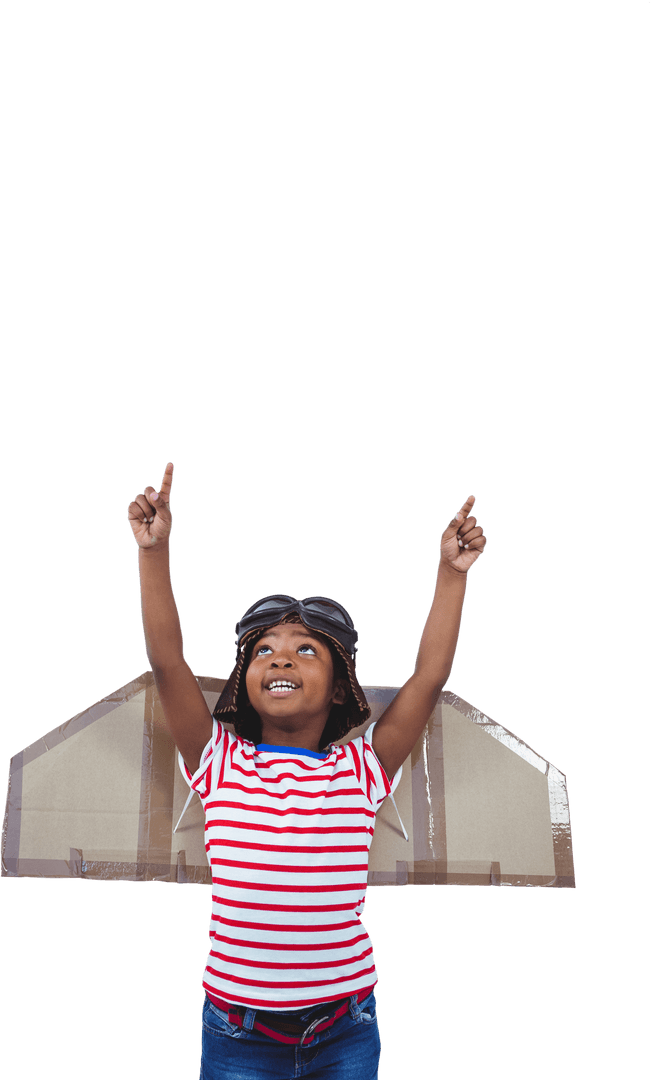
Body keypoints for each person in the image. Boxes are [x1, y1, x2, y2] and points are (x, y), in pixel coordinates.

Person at [128, 462, 487, 1080]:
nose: (280, 658)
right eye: (263, 649)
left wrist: (451, 574)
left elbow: (427, 677)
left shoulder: (362, 769)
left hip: (345, 1028)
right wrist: (155, 553)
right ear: (245, 679)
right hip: (238, 1034)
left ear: (339, 684)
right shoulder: (219, 762)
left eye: (305, 649)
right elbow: (167, 662)